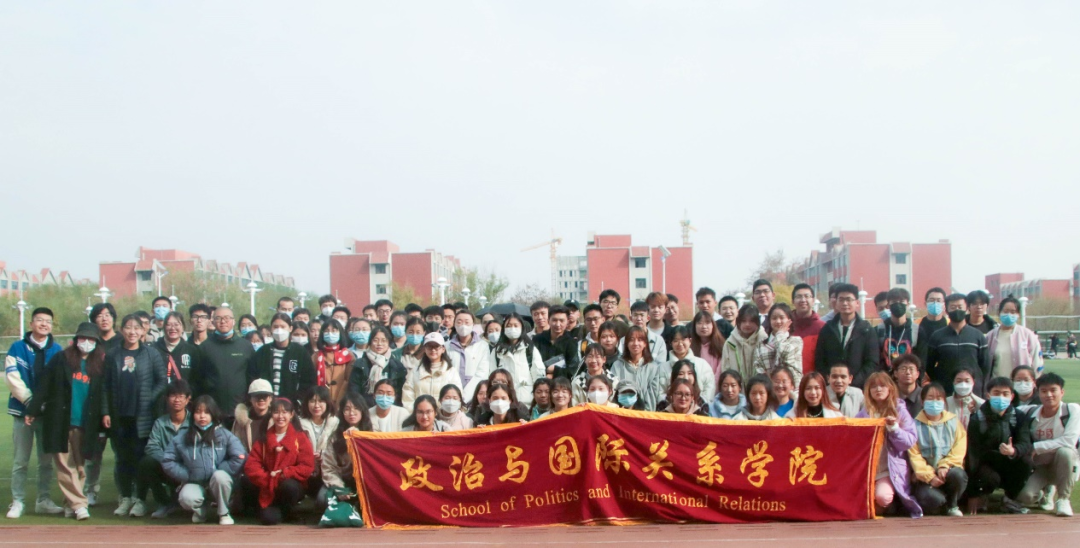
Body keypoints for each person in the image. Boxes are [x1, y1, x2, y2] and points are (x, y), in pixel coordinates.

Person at [25, 322, 105, 521]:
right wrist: (33, 409)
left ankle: (70, 504)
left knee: (79, 466)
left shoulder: (100, 364)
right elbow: (44, 385)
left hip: (85, 423)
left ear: (96, 342)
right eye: (83, 338)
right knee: (64, 466)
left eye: (91, 339)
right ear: (76, 339)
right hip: (60, 420)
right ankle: (80, 504)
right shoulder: (61, 359)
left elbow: (105, 393)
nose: (86, 342)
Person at [105, 313, 168, 517]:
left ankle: (140, 499)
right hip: (120, 416)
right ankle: (125, 497)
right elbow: (105, 386)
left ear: (143, 331)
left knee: (141, 460)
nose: (132, 332)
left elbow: (162, 381)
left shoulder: (151, 354)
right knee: (122, 459)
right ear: (121, 330)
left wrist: (149, 398)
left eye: (137, 328)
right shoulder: (113, 354)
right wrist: (106, 412)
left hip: (143, 417)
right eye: (128, 327)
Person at [5, 306, 64, 518]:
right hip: (22, 413)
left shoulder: (57, 351)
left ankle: (43, 500)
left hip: (48, 415)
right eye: (39, 320)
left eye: (48, 321)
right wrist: (32, 403)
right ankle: (18, 501)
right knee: (21, 461)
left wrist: (45, 405)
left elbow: (59, 382)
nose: (44, 324)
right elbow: (12, 378)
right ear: (31, 323)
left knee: (46, 462)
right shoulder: (17, 348)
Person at [161, 395, 244, 525]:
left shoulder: (225, 435)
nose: (202, 416)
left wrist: (219, 470)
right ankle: (200, 512)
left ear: (213, 414)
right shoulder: (183, 437)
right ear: (193, 414)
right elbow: (168, 460)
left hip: (217, 482)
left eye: (206, 412)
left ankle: (223, 512)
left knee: (220, 477)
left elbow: (240, 456)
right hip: (194, 482)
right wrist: (186, 474)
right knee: (186, 498)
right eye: (198, 412)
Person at [966, 376, 1034, 514]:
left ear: (1012, 396)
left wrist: (1013, 450)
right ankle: (983, 494)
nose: (1001, 397)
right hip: (987, 464)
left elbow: (1025, 442)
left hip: (1010, 461)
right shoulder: (977, 418)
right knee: (989, 478)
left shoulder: (1019, 416)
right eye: (996, 393)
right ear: (988, 395)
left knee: (1026, 462)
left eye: (1005, 394)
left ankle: (1010, 499)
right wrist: (973, 493)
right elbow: (972, 454)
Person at [857, 372, 922, 518]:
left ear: (890, 388)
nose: (878, 389)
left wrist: (894, 429)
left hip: (889, 470)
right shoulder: (862, 414)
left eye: (882, 386)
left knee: (883, 497)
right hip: (868, 470)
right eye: (874, 387)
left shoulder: (900, 411)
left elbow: (909, 441)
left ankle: (888, 502)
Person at [1016, 373, 1078, 517]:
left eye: (1053, 390)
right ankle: (1044, 492)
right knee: (1025, 497)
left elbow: (1069, 441)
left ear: (1062, 392)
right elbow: (1006, 409)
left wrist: (1036, 447)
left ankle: (1063, 499)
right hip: (1041, 467)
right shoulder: (1030, 411)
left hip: (1064, 465)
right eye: (1044, 391)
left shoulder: (1071, 410)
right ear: (1038, 393)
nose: (1049, 395)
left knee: (1065, 452)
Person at [244, 398, 314, 525]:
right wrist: (267, 478)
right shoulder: (263, 439)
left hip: (289, 485)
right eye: (276, 412)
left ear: (291, 414)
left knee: (289, 486)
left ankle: (288, 510)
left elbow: (307, 466)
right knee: (268, 519)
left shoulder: (300, 437)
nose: (280, 416)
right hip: (267, 486)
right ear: (271, 414)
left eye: (285, 412)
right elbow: (251, 465)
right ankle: (265, 509)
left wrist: (285, 473)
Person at [909, 382, 968, 517]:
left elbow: (959, 449)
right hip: (925, 479)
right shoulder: (914, 426)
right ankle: (941, 504)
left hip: (947, 472)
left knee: (958, 475)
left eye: (938, 398)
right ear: (922, 402)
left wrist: (945, 466)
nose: (934, 402)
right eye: (930, 398)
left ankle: (952, 505)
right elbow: (915, 456)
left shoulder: (954, 422)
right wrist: (930, 477)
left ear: (944, 401)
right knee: (932, 500)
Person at [138, 379, 191, 519]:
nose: (177, 400)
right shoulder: (160, 423)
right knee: (147, 462)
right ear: (167, 398)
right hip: (167, 468)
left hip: (190, 470)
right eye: (173, 395)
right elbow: (151, 447)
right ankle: (164, 503)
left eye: (181, 396)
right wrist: (169, 462)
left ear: (187, 399)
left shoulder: (194, 422)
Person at [196, 306, 255, 428]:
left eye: (227, 318)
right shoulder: (205, 347)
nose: (223, 321)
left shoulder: (245, 346)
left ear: (233, 321)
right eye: (218, 318)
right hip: (213, 411)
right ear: (212, 322)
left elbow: (252, 376)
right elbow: (198, 379)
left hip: (240, 411)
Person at [815, 283, 880, 389]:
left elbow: (872, 362)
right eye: (841, 299)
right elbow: (820, 360)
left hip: (858, 388)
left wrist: (853, 383)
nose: (845, 303)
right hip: (831, 388)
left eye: (849, 299)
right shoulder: (827, 329)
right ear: (836, 303)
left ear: (857, 303)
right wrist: (830, 381)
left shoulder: (866, 329)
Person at [926, 294, 990, 397]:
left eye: (960, 307)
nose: (957, 310)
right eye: (953, 307)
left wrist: (980, 385)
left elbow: (985, 366)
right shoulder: (937, 336)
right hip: (946, 390)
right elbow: (929, 365)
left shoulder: (977, 335)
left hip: (973, 391)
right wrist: (939, 380)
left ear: (967, 308)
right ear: (946, 310)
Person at [246, 313, 316, 405]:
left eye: (283, 327)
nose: (279, 330)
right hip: (266, 404)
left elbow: (309, 380)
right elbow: (252, 376)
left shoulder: (300, 352)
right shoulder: (262, 351)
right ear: (271, 329)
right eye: (275, 327)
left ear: (290, 328)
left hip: (291, 405)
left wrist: (299, 400)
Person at [321, 392, 371, 499]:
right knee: (322, 499)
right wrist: (339, 488)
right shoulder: (336, 436)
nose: (351, 413)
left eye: (356, 408)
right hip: (342, 480)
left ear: (363, 410)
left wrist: (358, 438)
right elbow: (328, 468)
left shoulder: (373, 434)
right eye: (347, 409)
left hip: (366, 481)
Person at [488, 314, 545, 404]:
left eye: (516, 325)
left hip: (526, 400)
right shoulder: (497, 351)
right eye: (509, 326)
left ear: (522, 328)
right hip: (504, 400)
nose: (512, 329)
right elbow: (491, 375)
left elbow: (538, 376)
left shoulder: (530, 349)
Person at [299, 386, 338, 509]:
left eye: (321, 401)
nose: (316, 405)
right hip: (305, 472)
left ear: (327, 403)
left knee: (322, 500)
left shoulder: (335, 423)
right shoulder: (298, 423)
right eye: (312, 401)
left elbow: (338, 451)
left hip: (327, 473)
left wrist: (324, 455)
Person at [987, 297, 1043, 379]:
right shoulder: (991, 336)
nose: (1009, 315)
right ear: (999, 313)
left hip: (1021, 383)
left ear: (1018, 314)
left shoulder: (1028, 335)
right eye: (1005, 311)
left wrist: (1035, 380)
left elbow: (1037, 362)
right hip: (998, 383)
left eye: (1013, 312)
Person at [350, 327, 408, 406]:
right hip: (365, 407)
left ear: (389, 343)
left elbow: (400, 392)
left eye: (383, 340)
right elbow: (354, 391)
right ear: (370, 342)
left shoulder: (397, 366)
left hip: (391, 407)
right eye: (375, 340)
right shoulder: (360, 364)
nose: (379, 344)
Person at [402, 333, 462, 408]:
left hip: (443, 414)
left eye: (436, 346)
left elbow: (457, 396)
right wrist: (416, 412)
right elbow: (408, 396)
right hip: (421, 414)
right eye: (429, 346)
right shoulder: (415, 372)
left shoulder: (451, 372)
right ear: (424, 349)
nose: (433, 350)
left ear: (443, 349)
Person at [610, 327, 662, 411]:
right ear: (626, 343)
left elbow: (652, 395)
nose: (635, 343)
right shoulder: (617, 365)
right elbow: (613, 392)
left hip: (644, 415)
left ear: (645, 344)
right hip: (620, 413)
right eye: (631, 340)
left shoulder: (653, 368)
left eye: (640, 340)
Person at [753, 303, 804, 388]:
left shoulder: (796, 341)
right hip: (770, 390)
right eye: (774, 318)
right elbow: (759, 370)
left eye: (782, 317)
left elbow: (784, 353)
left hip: (792, 389)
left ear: (789, 320)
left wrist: (780, 335)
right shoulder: (761, 345)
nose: (778, 321)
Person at [445, 311, 491, 398]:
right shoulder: (447, 346)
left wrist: (465, 396)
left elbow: (482, 373)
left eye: (467, 322)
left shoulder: (482, 346)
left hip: (474, 395)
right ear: (454, 324)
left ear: (473, 324)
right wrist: (455, 395)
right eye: (459, 322)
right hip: (452, 395)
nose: (463, 325)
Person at [665, 326, 716, 402]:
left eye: (683, 339)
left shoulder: (702, 364)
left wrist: (698, 405)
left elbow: (709, 388)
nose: (680, 344)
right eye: (676, 340)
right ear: (671, 343)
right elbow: (660, 393)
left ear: (690, 341)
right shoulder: (662, 368)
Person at [532, 305, 581, 381]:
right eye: (554, 320)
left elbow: (572, 370)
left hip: (562, 385)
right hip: (539, 383)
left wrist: (554, 371)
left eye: (562, 321)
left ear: (567, 321)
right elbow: (531, 364)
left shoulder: (571, 342)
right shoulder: (537, 339)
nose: (558, 324)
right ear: (548, 320)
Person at [721, 305, 766, 381]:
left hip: (758, 385)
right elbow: (725, 368)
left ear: (758, 322)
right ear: (738, 322)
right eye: (744, 321)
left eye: (751, 321)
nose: (747, 324)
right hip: (736, 385)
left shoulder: (764, 340)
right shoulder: (730, 343)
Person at [154, 312, 200, 384]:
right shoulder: (153, 350)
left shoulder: (191, 350)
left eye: (176, 324)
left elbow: (196, 378)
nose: (173, 328)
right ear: (164, 327)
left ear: (183, 328)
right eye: (168, 324)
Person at [877, 288, 916, 373]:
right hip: (885, 378)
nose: (898, 305)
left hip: (908, 378)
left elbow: (921, 362)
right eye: (894, 302)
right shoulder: (878, 330)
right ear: (888, 305)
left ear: (908, 304)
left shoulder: (916, 331)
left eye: (902, 301)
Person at [791, 284, 826, 377]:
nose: (803, 300)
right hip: (789, 381)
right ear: (793, 301)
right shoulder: (786, 326)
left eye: (807, 296)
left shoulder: (822, 327)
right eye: (799, 296)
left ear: (813, 300)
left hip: (814, 381)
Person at [316, 320, 354, 402]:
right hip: (321, 401)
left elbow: (349, 380)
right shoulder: (316, 356)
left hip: (342, 399)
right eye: (326, 331)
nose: (330, 334)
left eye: (334, 331)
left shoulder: (348, 355)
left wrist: (340, 399)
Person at [915, 287, 949, 366]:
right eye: (931, 300)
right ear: (925, 304)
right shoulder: (916, 325)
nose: (935, 303)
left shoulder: (950, 324)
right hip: (921, 368)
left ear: (944, 304)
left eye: (938, 300)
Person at [689, 311, 725, 379]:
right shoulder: (690, 347)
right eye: (700, 323)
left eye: (707, 323)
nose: (704, 326)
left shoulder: (721, 346)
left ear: (713, 325)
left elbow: (720, 371)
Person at [892, 354, 924, 419]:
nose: (908, 372)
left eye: (911, 369)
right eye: (903, 369)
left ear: (917, 374)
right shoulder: (890, 395)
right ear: (895, 373)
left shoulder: (925, 395)